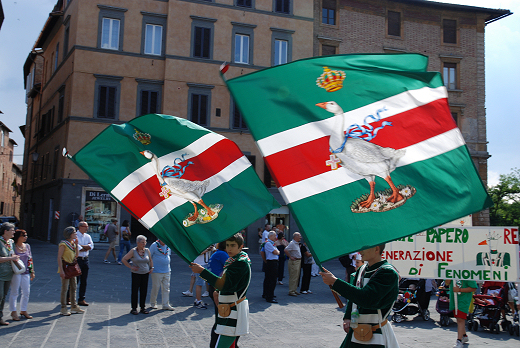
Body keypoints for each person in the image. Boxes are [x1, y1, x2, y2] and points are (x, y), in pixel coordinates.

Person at [320, 244, 400, 348]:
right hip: (356, 331)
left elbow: (366, 298)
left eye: (364, 248)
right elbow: (353, 297)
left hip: (376, 334)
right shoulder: (362, 269)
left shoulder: (387, 272)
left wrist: (335, 282)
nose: (360, 251)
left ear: (376, 249)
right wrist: (348, 317)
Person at [190, 233, 251, 348]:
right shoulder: (235, 260)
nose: (229, 248)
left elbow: (225, 284)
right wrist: (217, 291)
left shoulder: (240, 263)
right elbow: (229, 283)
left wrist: (202, 271)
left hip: (233, 310)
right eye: (227, 245)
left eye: (233, 245)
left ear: (241, 246)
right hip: (229, 308)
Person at [122, 235, 153, 315]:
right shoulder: (133, 251)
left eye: (145, 242)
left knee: (144, 291)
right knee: (135, 291)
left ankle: (143, 307)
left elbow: (150, 259)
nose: (144, 244)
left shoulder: (147, 250)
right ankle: (134, 308)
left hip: (145, 273)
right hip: (136, 274)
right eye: (142, 242)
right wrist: (131, 266)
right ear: (138, 242)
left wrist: (151, 267)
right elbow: (124, 259)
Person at [57, 227, 85, 316]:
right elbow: (59, 257)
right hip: (65, 268)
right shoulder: (63, 244)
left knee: (74, 287)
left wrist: (76, 245)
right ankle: (63, 307)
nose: (76, 233)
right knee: (65, 288)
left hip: (72, 268)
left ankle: (74, 306)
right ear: (69, 234)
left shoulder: (73, 243)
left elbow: (76, 255)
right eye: (74, 232)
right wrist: (61, 271)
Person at [208, 241, 231, 348]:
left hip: (212, 286)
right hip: (218, 288)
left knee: (219, 318)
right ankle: (215, 344)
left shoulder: (216, 253)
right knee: (220, 319)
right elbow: (231, 267)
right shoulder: (222, 254)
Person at [9, 229, 35, 320]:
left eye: (26, 235)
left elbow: (30, 259)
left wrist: (32, 271)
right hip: (16, 271)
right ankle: (13, 311)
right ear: (18, 237)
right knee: (15, 292)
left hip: (26, 271)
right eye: (23, 235)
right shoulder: (13, 246)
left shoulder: (27, 246)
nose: (25, 237)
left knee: (26, 292)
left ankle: (23, 309)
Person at [445, 279, 477, 348]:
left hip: (464, 299)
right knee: (458, 318)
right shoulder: (451, 272)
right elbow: (447, 283)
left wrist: (459, 290)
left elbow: (473, 288)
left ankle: (459, 341)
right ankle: (464, 336)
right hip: (454, 298)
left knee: (460, 319)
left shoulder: (468, 273)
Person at [0, 222, 19, 325]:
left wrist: (14, 257)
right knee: (0, 295)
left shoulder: (11, 242)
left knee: (3, 296)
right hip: (0, 273)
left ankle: (0, 317)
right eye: (12, 230)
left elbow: (12, 253)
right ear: (5, 231)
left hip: (8, 273)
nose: (14, 232)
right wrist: (11, 258)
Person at [149, 239, 174, 310]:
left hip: (167, 270)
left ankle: (166, 304)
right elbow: (149, 256)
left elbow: (168, 254)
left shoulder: (168, 245)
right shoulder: (154, 245)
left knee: (166, 288)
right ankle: (153, 303)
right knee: (156, 287)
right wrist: (151, 267)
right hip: (157, 270)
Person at [76, 221, 93, 306]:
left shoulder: (88, 236)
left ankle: (81, 298)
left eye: (87, 226)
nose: (87, 228)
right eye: (85, 226)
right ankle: (69, 297)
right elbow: (77, 248)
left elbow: (91, 246)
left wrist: (83, 246)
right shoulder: (75, 236)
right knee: (75, 280)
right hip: (77, 259)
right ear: (80, 227)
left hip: (85, 259)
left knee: (84, 280)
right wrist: (85, 247)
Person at [263, 231, 279, 303]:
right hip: (271, 262)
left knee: (269, 279)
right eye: (275, 235)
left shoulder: (272, 243)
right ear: (271, 236)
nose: (276, 237)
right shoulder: (268, 243)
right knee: (272, 280)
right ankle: (270, 296)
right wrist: (277, 251)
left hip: (273, 262)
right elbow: (275, 252)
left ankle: (267, 293)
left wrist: (277, 251)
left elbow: (277, 251)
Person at [284, 232, 302, 297]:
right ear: (296, 237)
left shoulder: (296, 243)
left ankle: (294, 290)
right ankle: (291, 291)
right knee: (293, 276)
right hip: (294, 261)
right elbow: (286, 250)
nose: (301, 237)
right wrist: (290, 257)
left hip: (298, 261)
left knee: (296, 276)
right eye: (299, 236)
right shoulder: (292, 243)